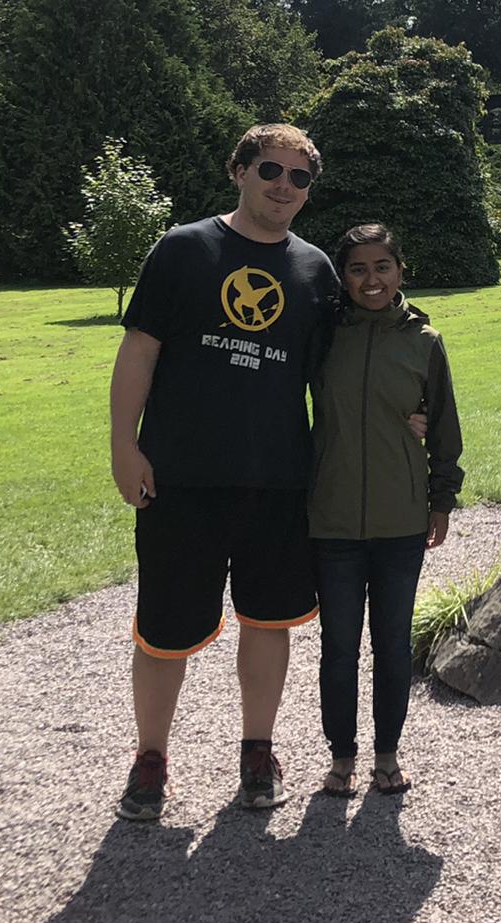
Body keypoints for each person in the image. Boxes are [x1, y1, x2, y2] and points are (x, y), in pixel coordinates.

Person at [108, 123, 340, 821]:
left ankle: (257, 750)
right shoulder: (184, 250)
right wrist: (125, 445)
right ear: (239, 169)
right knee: (165, 627)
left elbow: (336, 382)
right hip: (181, 478)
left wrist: (413, 417)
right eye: (271, 170)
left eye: (300, 179)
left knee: (269, 623)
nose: (284, 187)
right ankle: (151, 758)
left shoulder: (316, 271)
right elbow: (139, 354)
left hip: (277, 482)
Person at [309, 223, 463, 799]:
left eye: (382, 267)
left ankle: (388, 755)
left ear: (401, 270)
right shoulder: (324, 337)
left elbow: (445, 427)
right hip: (333, 519)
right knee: (339, 645)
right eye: (357, 268)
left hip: (402, 521)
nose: (370, 279)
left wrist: (441, 499)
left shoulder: (424, 341)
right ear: (342, 276)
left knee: (392, 643)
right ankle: (342, 757)